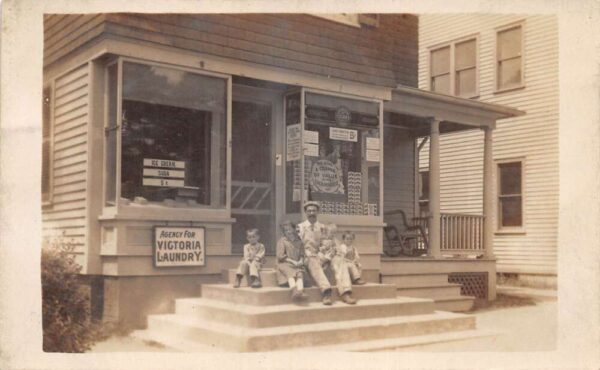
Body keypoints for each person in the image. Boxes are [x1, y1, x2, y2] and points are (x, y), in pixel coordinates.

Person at [298, 201, 356, 305]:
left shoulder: (323, 227)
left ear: (318, 212)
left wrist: (330, 254)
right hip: (309, 256)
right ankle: (326, 292)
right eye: (309, 211)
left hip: (324, 254)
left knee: (339, 260)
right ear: (305, 212)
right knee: (312, 260)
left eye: (314, 211)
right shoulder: (300, 227)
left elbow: (332, 242)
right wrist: (307, 254)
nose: (311, 213)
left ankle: (345, 292)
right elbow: (298, 245)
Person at [276, 220, 308, 301]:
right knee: (290, 272)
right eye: (286, 230)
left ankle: (300, 290)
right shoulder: (282, 241)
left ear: (294, 229)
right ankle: (294, 289)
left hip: (297, 263)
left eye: (290, 229)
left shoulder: (299, 242)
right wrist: (292, 261)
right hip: (285, 263)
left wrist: (301, 260)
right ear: (284, 232)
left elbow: (302, 254)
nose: (288, 232)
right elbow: (280, 256)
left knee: (300, 273)